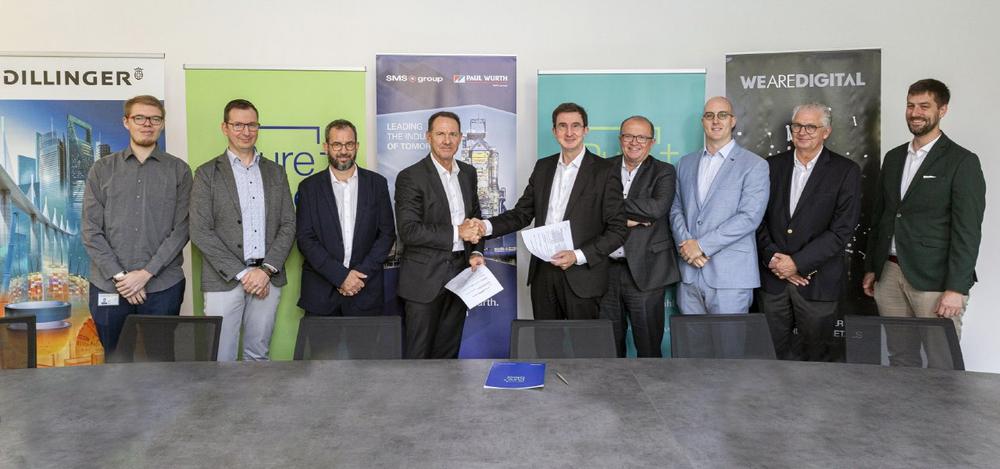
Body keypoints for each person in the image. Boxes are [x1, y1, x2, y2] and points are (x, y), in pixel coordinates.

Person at [863, 79, 985, 367]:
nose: (915, 113)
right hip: (889, 274)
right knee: (900, 358)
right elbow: (881, 216)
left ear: (942, 110)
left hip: (934, 280)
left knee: (942, 362)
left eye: (924, 106)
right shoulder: (894, 158)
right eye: (910, 105)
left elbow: (967, 231)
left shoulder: (962, 161)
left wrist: (956, 288)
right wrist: (872, 266)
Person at [467, 102, 625, 320]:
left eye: (576, 126)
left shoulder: (605, 171)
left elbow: (618, 230)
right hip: (543, 273)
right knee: (545, 338)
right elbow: (521, 213)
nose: (569, 132)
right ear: (554, 131)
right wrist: (484, 226)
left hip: (583, 276)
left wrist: (578, 256)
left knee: (584, 341)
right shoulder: (543, 167)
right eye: (562, 126)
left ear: (585, 130)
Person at [82, 95, 191, 355]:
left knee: (161, 360)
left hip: (162, 286)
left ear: (162, 124)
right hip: (110, 285)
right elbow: (90, 230)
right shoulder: (101, 169)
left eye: (155, 119)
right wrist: (122, 278)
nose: (147, 124)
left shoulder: (179, 170)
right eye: (139, 118)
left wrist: (144, 275)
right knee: (115, 362)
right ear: (126, 122)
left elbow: (182, 228)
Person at [190, 99, 296, 361]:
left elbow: (288, 224)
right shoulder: (206, 173)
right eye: (238, 125)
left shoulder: (276, 172)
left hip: (267, 278)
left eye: (252, 125)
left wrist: (266, 270)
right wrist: (244, 274)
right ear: (225, 127)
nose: (245, 131)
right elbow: (200, 230)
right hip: (223, 279)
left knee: (258, 355)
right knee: (221, 357)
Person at [756, 103, 861, 361]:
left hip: (818, 285)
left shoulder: (845, 170)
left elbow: (841, 230)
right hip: (773, 282)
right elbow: (756, 219)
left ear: (826, 131)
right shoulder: (770, 166)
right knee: (769, 359)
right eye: (797, 126)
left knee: (818, 362)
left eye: (811, 127)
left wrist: (797, 264)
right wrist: (774, 260)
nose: (802, 132)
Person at [394, 111, 484, 359]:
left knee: (448, 356)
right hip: (423, 281)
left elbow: (475, 218)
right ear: (428, 137)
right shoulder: (410, 177)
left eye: (453, 134)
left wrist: (476, 251)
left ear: (460, 137)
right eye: (440, 134)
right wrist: (458, 232)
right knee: (418, 357)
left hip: (460, 276)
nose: (447, 140)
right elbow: (409, 230)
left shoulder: (468, 173)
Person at [670, 96, 769, 315]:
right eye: (709, 115)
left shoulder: (754, 165)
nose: (715, 121)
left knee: (729, 339)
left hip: (730, 277)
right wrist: (687, 246)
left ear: (732, 121)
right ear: (702, 122)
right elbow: (675, 208)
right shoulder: (685, 163)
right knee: (691, 338)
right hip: (688, 274)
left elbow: (749, 217)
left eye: (722, 115)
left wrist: (701, 246)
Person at [296, 119, 395, 316]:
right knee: (320, 341)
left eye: (349, 144)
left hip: (365, 290)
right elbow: (305, 239)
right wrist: (341, 276)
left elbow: (386, 235)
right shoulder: (309, 188)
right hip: (321, 294)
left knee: (366, 340)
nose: (343, 151)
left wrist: (357, 277)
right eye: (336, 145)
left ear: (356, 146)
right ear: (326, 147)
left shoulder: (377, 184)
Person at [599, 115, 679, 357]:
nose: (634, 142)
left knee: (648, 347)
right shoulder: (602, 168)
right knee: (608, 347)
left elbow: (656, 208)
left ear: (652, 142)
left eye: (642, 137)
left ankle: (651, 384)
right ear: (620, 139)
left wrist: (611, 209)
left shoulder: (664, 171)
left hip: (647, 269)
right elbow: (591, 208)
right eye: (629, 136)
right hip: (605, 270)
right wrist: (630, 217)